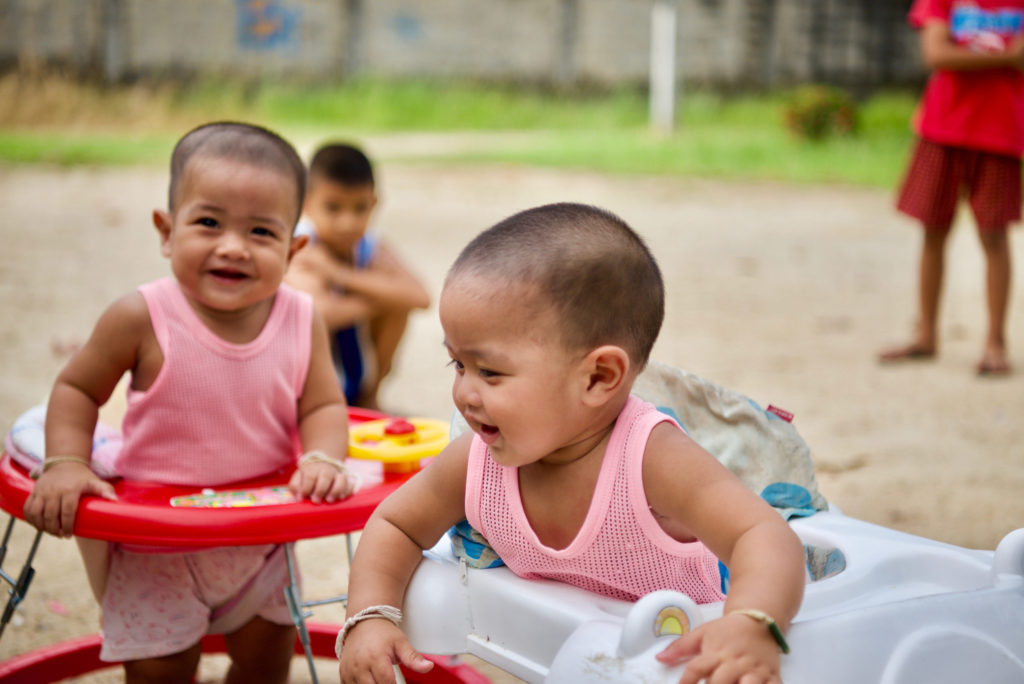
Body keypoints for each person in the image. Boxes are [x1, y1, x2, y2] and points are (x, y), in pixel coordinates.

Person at [337, 203, 806, 684]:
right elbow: (396, 523)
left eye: (489, 372)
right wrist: (371, 615)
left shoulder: (651, 460)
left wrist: (753, 622)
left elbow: (763, 535)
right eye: (457, 365)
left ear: (599, 377)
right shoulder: (476, 461)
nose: (463, 394)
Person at [23, 121, 355, 684]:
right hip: (158, 543)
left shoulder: (300, 319)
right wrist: (66, 462)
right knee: (160, 673)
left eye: (260, 232)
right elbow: (77, 389)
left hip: (258, 539)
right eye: (208, 222)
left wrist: (323, 457)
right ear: (166, 229)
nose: (233, 246)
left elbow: (322, 405)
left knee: (267, 664)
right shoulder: (142, 316)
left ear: (294, 248)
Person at [880, 0, 1024, 375]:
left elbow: (951, 51)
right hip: (942, 128)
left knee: (995, 236)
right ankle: (926, 334)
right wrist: (1008, 54)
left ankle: (995, 343)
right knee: (933, 230)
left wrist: (969, 54)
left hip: (1000, 132)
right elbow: (935, 53)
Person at [285, 143, 430, 409]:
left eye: (360, 208)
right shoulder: (302, 245)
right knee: (388, 300)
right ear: (305, 203)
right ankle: (315, 408)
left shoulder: (368, 245)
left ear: (374, 203)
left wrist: (339, 274)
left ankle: (368, 399)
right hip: (304, 392)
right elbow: (320, 314)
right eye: (333, 208)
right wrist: (383, 297)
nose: (348, 222)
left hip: (354, 378)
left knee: (398, 308)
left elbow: (421, 297)